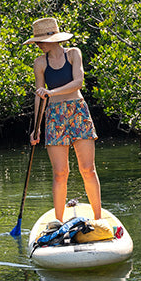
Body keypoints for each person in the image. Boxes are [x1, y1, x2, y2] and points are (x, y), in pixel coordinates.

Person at [24, 17, 102, 223]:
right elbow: (38, 96)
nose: (38, 45)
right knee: (60, 173)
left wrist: (52, 91)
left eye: (40, 41)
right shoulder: (39, 63)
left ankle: (98, 218)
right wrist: (36, 128)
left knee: (88, 169)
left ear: (53, 39)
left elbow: (78, 82)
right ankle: (58, 222)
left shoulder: (74, 54)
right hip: (54, 116)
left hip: (78, 111)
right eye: (37, 41)